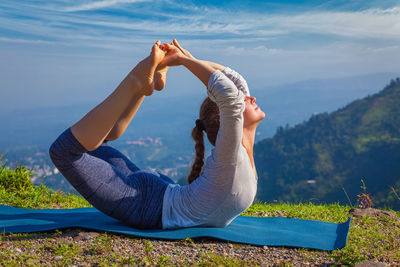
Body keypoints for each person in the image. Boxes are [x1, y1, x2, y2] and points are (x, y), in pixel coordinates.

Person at [49, 39, 266, 230]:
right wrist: (186, 59)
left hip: (152, 199)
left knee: (78, 147)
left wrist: (184, 60)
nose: (251, 97)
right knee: (71, 149)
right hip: (152, 202)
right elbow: (234, 87)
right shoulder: (232, 154)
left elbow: (232, 92)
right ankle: (137, 84)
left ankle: (141, 87)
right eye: (245, 99)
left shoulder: (232, 154)